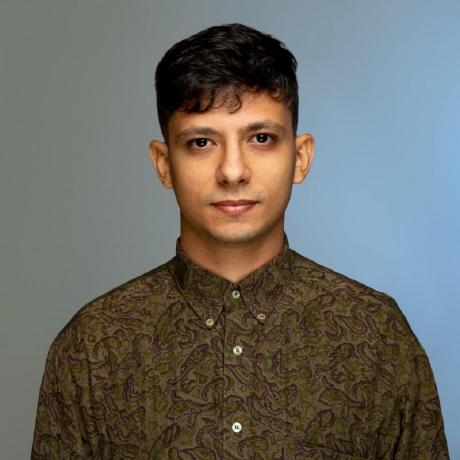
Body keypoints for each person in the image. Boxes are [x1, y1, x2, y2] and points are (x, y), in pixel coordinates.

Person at [31, 23, 449, 459]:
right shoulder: (93, 346)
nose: (233, 171)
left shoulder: (375, 335)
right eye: (201, 142)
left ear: (300, 157)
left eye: (261, 139)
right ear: (163, 163)